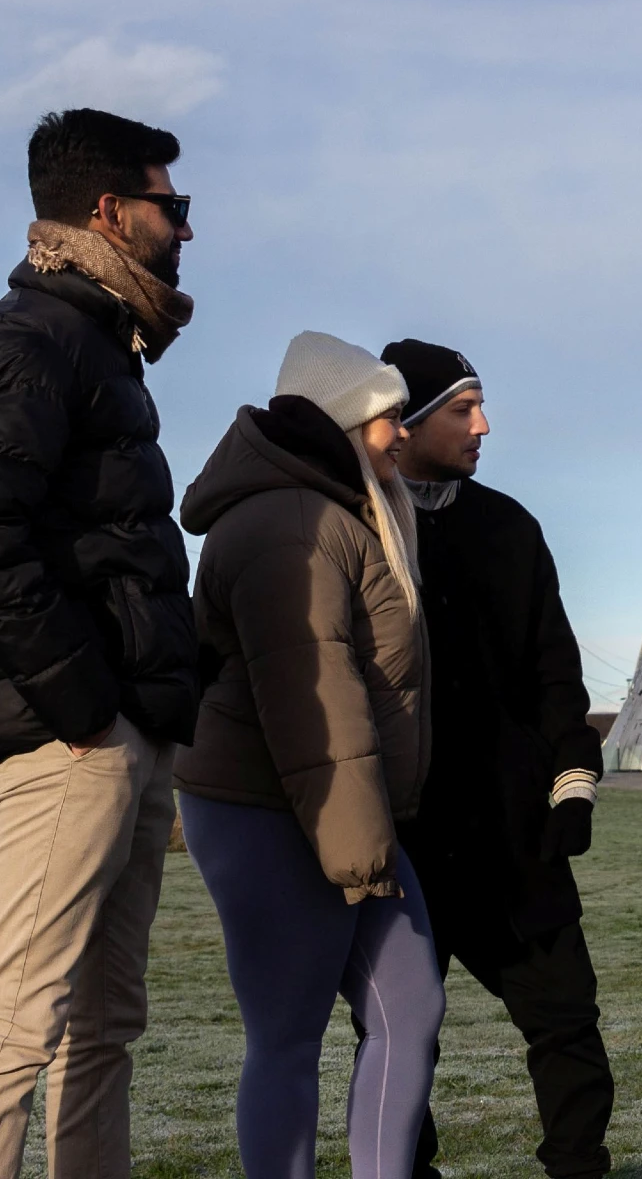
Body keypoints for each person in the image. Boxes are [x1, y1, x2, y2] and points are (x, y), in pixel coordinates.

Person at [0, 109, 200, 1178]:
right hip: (75, 739)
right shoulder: (23, 338)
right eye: (171, 205)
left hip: (123, 728)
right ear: (108, 212)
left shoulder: (99, 345)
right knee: (20, 1021)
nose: (186, 229)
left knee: (105, 1027)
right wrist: (83, 705)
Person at [174, 332, 443, 1178]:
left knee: (411, 1004)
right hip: (269, 810)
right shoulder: (292, 524)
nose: (402, 433)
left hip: (339, 809)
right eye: (387, 418)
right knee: (288, 1035)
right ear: (341, 422)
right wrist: (361, 852)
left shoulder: (344, 515)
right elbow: (309, 701)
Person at [377, 338, 615, 1179]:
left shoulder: (511, 527)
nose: (486, 425)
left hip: (515, 840)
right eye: (462, 409)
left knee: (566, 1021)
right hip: (397, 841)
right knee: (397, 1039)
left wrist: (573, 783)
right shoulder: (352, 526)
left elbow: (556, 671)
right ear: (400, 425)